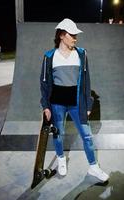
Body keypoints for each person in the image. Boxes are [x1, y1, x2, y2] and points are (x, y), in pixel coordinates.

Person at [40, 18, 109, 182]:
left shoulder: (81, 54)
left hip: (76, 103)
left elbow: (86, 80)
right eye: (72, 35)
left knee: (87, 135)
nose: (75, 38)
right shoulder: (49, 56)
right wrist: (46, 106)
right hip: (57, 103)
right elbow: (44, 83)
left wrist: (88, 103)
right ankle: (61, 159)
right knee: (59, 133)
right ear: (62, 35)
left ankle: (94, 167)